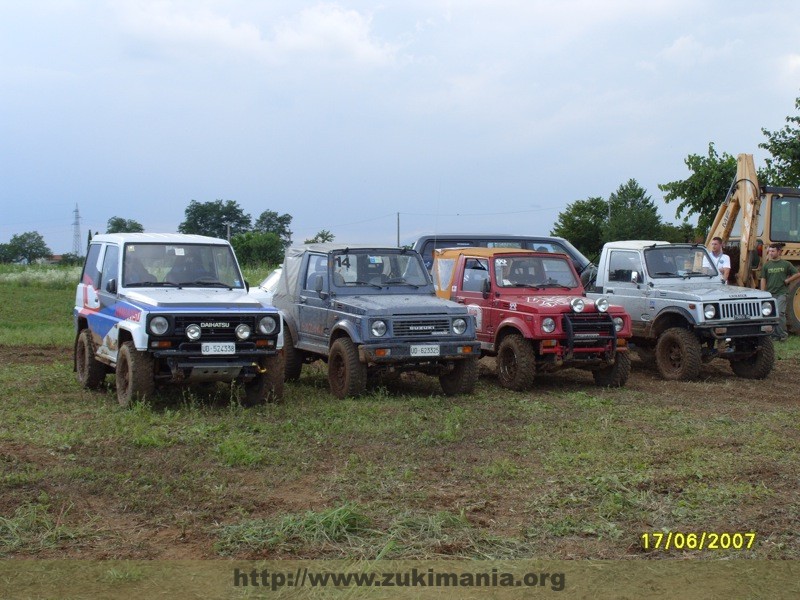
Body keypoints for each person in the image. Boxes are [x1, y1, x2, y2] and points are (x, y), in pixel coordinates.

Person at [760, 243, 800, 341]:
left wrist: (788, 280)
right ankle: (774, 335)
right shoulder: (767, 265)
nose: (771, 253)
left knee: (779, 313)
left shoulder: (786, 264)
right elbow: (763, 279)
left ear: (779, 252)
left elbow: (797, 273)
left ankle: (782, 334)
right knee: (772, 314)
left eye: (773, 251)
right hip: (770, 293)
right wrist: (762, 292)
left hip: (782, 293)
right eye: (769, 251)